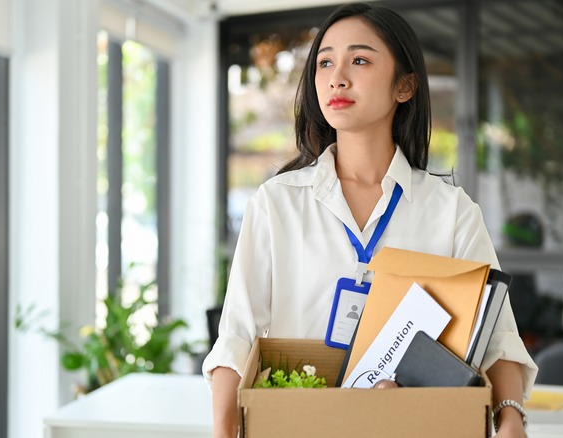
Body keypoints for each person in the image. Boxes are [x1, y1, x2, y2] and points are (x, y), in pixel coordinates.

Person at [202, 3, 538, 437]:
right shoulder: (277, 203)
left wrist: (510, 417)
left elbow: (498, 340)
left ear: (404, 86)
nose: (337, 76)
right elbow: (236, 339)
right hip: (300, 427)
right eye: (325, 62)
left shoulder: (451, 212)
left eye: (359, 60)